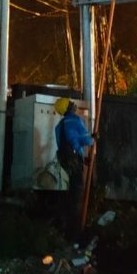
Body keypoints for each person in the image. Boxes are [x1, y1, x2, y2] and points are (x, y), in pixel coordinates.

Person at [54, 97, 94, 241]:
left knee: (71, 193)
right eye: (71, 104)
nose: (74, 105)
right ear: (69, 108)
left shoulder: (59, 125)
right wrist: (93, 138)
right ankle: (76, 233)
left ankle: (67, 229)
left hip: (65, 161)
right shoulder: (74, 120)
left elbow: (62, 143)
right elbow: (85, 140)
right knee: (77, 194)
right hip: (74, 159)